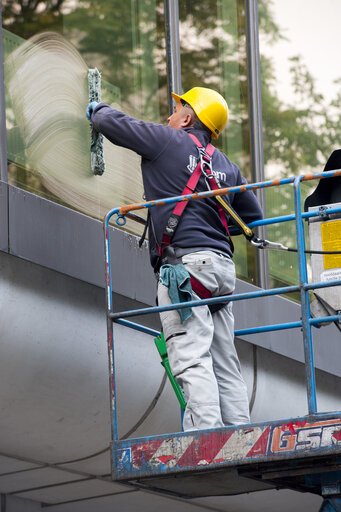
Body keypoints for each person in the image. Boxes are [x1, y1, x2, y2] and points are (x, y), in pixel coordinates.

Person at [86, 87, 263, 431]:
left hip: (185, 269)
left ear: (187, 117)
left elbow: (112, 122)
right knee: (224, 361)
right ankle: (240, 431)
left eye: (175, 109)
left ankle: (206, 436)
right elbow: (253, 220)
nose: (169, 116)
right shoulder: (227, 165)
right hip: (221, 272)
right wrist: (211, 224)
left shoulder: (167, 141)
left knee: (191, 357)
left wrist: (96, 108)